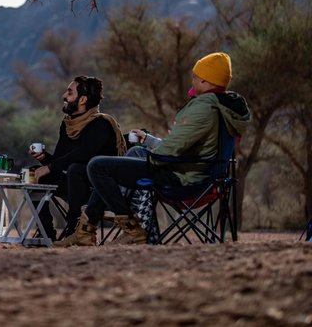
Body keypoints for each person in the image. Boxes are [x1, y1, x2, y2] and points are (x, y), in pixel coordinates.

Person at [56, 52, 251, 247]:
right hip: (200, 171)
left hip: (183, 179)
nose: (192, 81)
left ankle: (130, 228)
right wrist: (148, 142)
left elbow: (171, 150)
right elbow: (182, 147)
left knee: (98, 166)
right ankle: (86, 229)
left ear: (205, 80)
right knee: (135, 153)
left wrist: (148, 158)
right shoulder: (223, 107)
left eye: (195, 77)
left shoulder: (204, 109)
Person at [28, 76, 127, 239]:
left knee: (76, 169)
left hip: (99, 191)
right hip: (74, 186)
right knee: (33, 173)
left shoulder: (101, 124)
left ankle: (75, 227)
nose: (64, 96)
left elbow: (83, 154)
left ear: (82, 99)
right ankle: (45, 233)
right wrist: (44, 158)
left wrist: (50, 167)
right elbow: (60, 160)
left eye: (69, 92)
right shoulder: (68, 125)